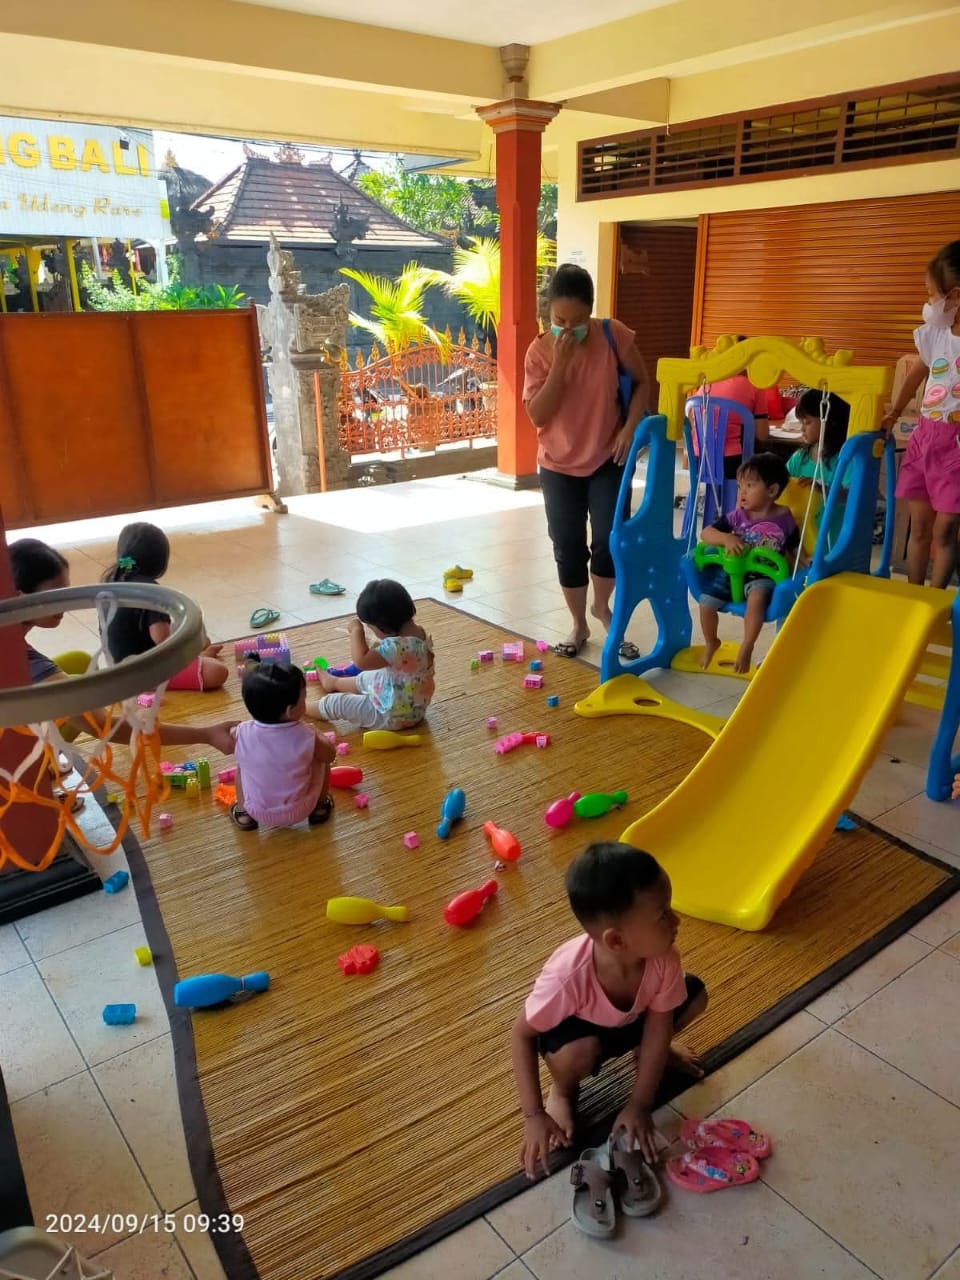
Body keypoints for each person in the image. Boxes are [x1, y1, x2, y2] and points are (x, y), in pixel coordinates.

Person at [511, 843, 706, 1180]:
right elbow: (521, 1035)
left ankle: (646, 1054)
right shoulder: (566, 977)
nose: (676, 920)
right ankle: (564, 1091)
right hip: (581, 1033)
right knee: (574, 1055)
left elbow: (659, 1025)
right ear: (616, 941)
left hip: (634, 1020)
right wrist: (533, 1115)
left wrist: (640, 1104)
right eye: (663, 914)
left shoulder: (664, 958)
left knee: (697, 996)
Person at [523, 264, 650, 659]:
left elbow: (643, 382)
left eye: (577, 321)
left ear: (591, 312)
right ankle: (578, 623)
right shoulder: (539, 351)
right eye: (559, 320)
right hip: (557, 464)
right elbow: (537, 415)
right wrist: (560, 364)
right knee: (568, 546)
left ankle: (602, 608)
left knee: (610, 541)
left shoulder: (614, 335)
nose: (568, 329)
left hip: (608, 456)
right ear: (548, 312)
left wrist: (630, 428)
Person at [9, 538, 237, 756]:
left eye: (65, 593)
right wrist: (205, 734)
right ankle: (44, 757)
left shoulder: (12, 636)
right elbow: (103, 726)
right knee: (78, 696)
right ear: (21, 598)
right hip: (14, 750)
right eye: (53, 597)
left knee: (80, 662)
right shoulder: (22, 659)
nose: (64, 605)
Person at [882, 240, 960, 587]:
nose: (928, 303)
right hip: (925, 438)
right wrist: (894, 411)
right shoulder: (934, 335)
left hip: (955, 447)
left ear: (954, 296)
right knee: (920, 527)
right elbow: (916, 374)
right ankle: (913, 593)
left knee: (945, 530)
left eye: (931, 295)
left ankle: (935, 597)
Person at [697, 452, 800, 674]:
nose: (741, 493)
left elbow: (794, 546)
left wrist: (804, 560)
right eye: (740, 486)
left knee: (757, 599)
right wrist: (726, 538)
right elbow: (706, 533)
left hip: (763, 573)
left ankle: (747, 645)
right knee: (705, 603)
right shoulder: (737, 516)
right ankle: (711, 641)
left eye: (749, 486)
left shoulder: (784, 517)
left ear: (772, 491)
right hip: (732, 570)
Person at [102, 522, 229, 690]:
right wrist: (191, 647)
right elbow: (162, 640)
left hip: (116, 668)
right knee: (218, 671)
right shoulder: (152, 591)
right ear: (160, 561)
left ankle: (198, 659)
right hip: (143, 672)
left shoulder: (113, 580)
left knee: (197, 645)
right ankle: (198, 660)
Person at [229, 658, 335, 832]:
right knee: (321, 759)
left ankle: (243, 813)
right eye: (304, 699)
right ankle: (320, 807)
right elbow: (330, 755)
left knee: (242, 765)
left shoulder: (242, 731)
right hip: (301, 809)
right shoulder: (306, 734)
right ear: (289, 711)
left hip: (258, 811)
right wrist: (318, 735)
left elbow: (233, 741)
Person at [315, 579, 434, 731]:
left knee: (338, 703)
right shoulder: (420, 634)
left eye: (372, 628)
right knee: (372, 676)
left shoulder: (395, 647)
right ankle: (334, 682)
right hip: (414, 708)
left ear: (385, 626)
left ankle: (302, 707)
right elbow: (392, 654)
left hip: (390, 715)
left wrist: (356, 631)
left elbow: (361, 662)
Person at [688, 342, 770, 479]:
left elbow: (692, 425)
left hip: (698, 459)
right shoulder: (754, 385)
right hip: (732, 463)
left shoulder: (706, 384)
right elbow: (762, 435)